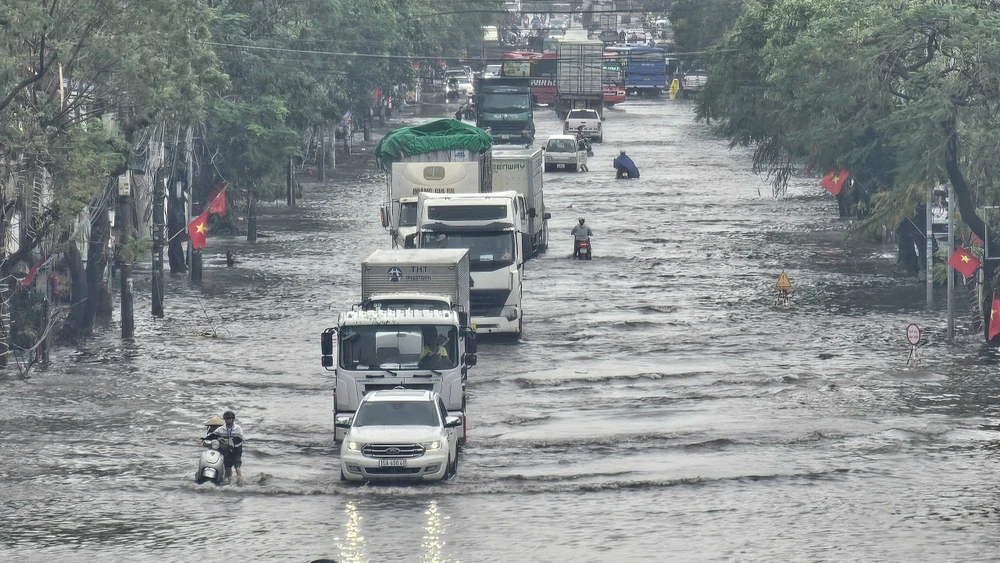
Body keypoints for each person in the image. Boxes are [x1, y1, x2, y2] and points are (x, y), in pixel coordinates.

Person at [206, 410, 246, 484]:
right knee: (227, 466)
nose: (227, 420)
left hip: (237, 449)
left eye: (229, 419)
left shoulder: (238, 428)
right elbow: (213, 435)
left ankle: (240, 480)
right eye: (226, 419)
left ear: (232, 419)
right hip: (226, 449)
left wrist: (233, 444)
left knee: (237, 464)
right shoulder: (221, 429)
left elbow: (241, 439)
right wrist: (202, 439)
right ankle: (230, 481)